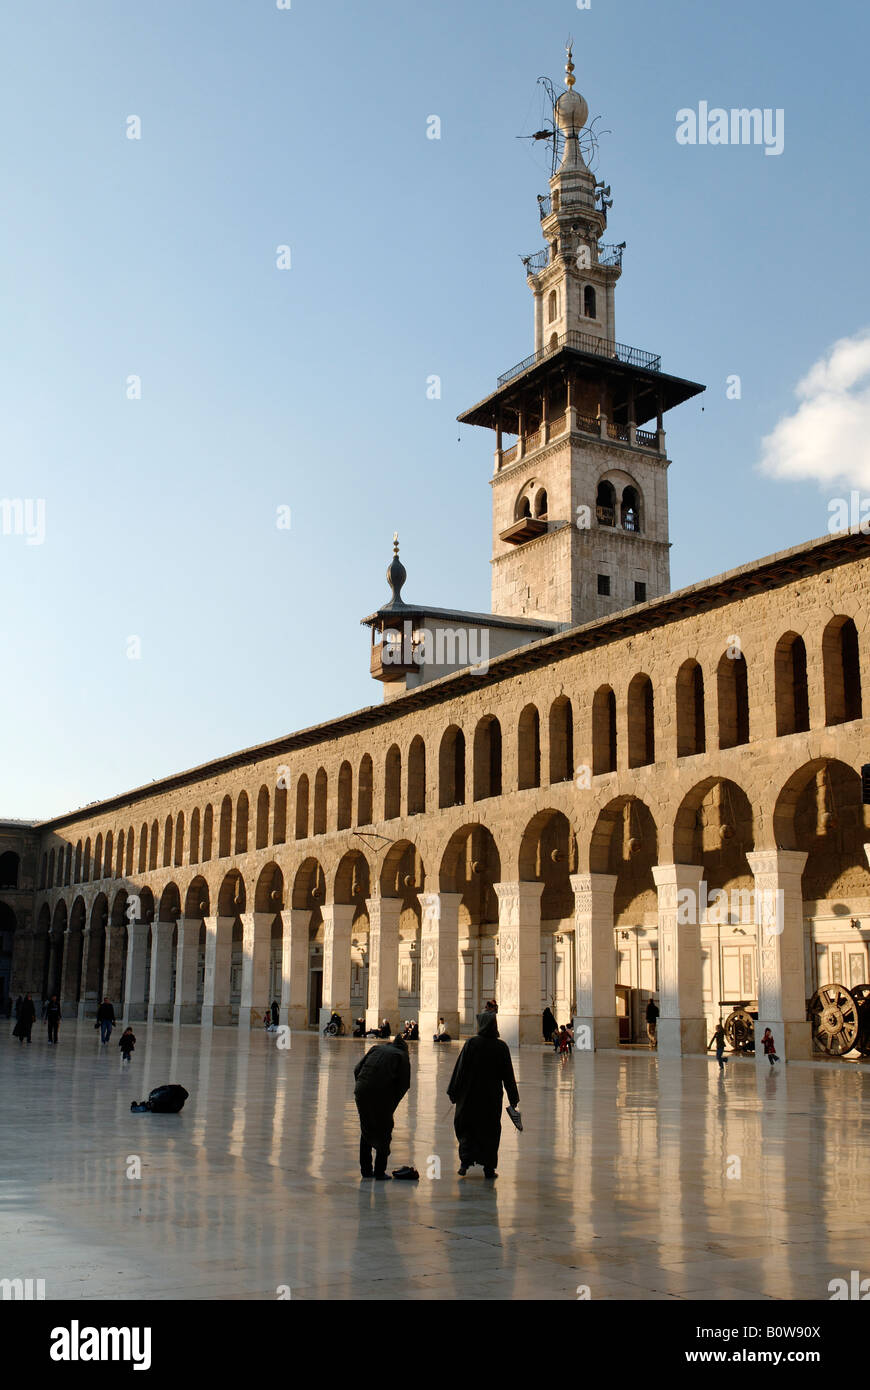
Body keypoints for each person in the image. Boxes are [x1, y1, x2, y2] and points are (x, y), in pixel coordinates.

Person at [447, 1010, 519, 1179]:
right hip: (490, 1098)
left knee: (467, 1129)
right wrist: (513, 1098)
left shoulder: (472, 1044)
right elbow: (508, 1075)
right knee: (490, 1131)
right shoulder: (501, 1047)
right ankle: (488, 1168)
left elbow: (460, 1069)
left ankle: (465, 1163)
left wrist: (453, 1091)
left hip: (469, 1096)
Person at [353, 1032, 411, 1179]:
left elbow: (356, 1069)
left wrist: (362, 1086)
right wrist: (391, 1104)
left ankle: (366, 1171)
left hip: (361, 1090)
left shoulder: (376, 1048)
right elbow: (404, 1085)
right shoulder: (402, 1056)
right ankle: (379, 1172)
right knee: (385, 1129)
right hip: (381, 1093)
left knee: (366, 1128)